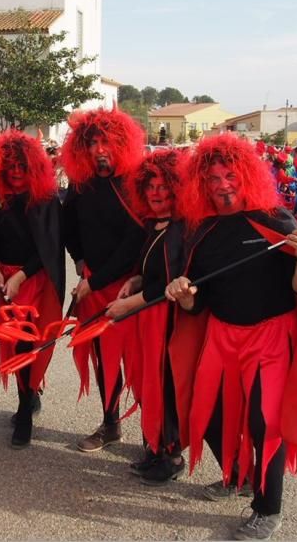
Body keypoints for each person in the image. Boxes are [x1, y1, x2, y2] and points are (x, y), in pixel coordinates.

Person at [165, 133, 297, 541]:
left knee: (262, 421)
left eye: (230, 175)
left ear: (246, 175)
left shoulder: (275, 219)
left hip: (271, 338)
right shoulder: (199, 233)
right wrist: (183, 295)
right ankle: (236, 476)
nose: (222, 185)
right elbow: (196, 306)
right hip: (221, 335)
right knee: (207, 414)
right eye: (213, 178)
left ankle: (268, 507)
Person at [105, 148, 197, 485]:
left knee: (166, 386)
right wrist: (134, 279)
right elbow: (151, 272)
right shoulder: (156, 225)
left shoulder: (180, 229)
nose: (156, 193)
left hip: (167, 323)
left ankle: (171, 455)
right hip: (149, 318)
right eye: (151, 187)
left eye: (163, 187)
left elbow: (169, 284)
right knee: (150, 384)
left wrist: (128, 305)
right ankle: (155, 447)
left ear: (176, 188)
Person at [61, 105, 145, 452]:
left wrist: (93, 283)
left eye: (107, 142)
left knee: (141, 363)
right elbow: (69, 226)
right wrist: (80, 262)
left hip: (131, 289)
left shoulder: (134, 184)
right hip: (93, 286)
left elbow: (133, 244)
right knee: (104, 361)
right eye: (93, 142)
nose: (100, 150)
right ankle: (111, 423)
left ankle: (157, 439)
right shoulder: (81, 186)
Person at [0, 129, 64, 448]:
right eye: (10, 165)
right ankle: (29, 396)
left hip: (32, 281)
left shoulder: (45, 200)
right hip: (2, 278)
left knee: (26, 346)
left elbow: (49, 246)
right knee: (11, 342)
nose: (16, 171)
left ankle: (24, 409)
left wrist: (21, 277)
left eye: (22, 165)